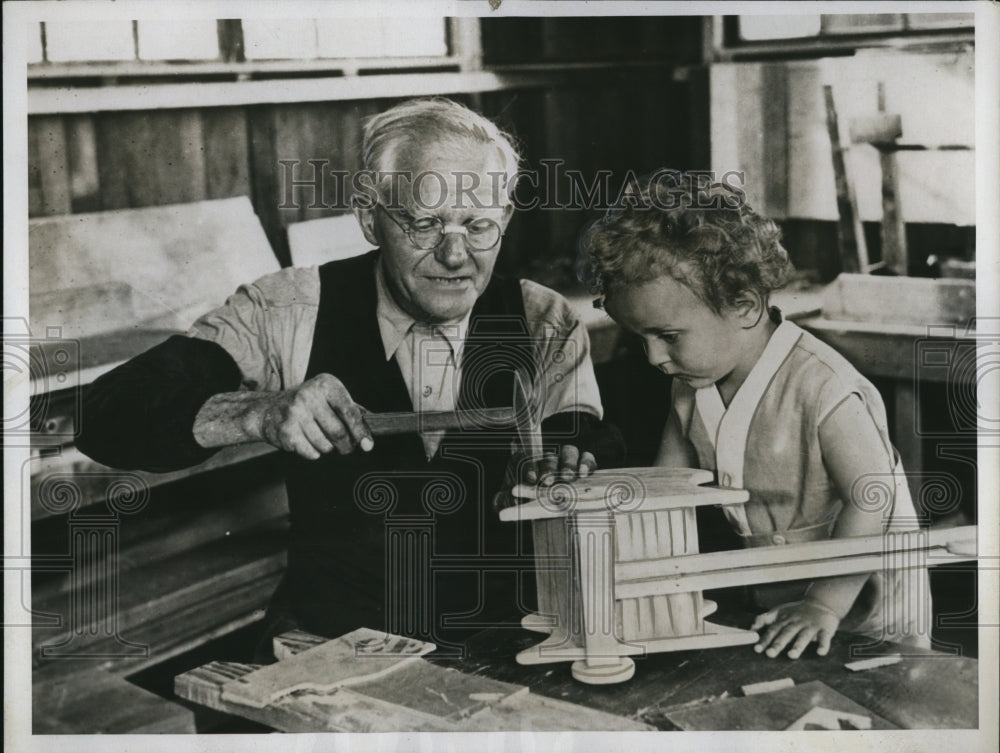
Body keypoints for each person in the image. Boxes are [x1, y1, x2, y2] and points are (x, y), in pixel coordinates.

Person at [77, 97, 622, 658]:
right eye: (425, 222)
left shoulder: (544, 321)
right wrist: (258, 413)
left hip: (511, 641)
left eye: (478, 225)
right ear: (369, 217)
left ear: (504, 221)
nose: (456, 254)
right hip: (329, 643)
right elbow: (103, 414)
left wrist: (566, 466)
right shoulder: (286, 309)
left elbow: (577, 444)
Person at [581, 171, 932, 659]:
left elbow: (872, 500)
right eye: (642, 339)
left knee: (873, 694)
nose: (654, 358)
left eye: (668, 336)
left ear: (744, 306)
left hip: (863, 596)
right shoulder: (692, 383)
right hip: (784, 593)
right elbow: (664, 490)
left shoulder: (823, 385)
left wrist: (824, 605)